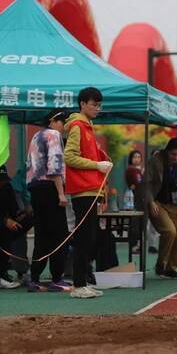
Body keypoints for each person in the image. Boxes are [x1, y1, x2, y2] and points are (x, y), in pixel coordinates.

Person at [64, 87, 112, 299]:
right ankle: (78, 284)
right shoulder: (77, 126)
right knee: (84, 238)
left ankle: (82, 281)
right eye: (93, 104)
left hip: (91, 188)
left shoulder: (88, 127)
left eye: (99, 105)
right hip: (82, 189)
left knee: (90, 237)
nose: (97, 108)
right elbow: (70, 156)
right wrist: (96, 165)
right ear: (82, 104)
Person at [26, 109, 71, 292]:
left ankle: (34, 278)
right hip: (50, 189)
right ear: (54, 121)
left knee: (42, 235)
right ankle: (57, 278)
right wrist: (61, 194)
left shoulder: (37, 135)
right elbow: (55, 167)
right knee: (60, 235)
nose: (65, 126)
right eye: (63, 121)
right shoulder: (54, 135)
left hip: (36, 189)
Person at [146, 138, 177, 279]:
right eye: (173, 154)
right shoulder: (155, 161)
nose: (175, 158)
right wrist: (151, 202)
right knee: (170, 231)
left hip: (174, 202)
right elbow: (145, 183)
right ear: (167, 151)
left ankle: (171, 268)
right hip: (157, 201)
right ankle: (161, 265)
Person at [125, 149, 144, 252]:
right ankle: (134, 245)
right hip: (132, 199)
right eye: (135, 157)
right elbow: (138, 183)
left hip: (138, 198)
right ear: (131, 159)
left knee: (138, 223)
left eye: (138, 157)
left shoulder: (139, 170)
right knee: (135, 223)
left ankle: (137, 244)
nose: (137, 159)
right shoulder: (132, 170)